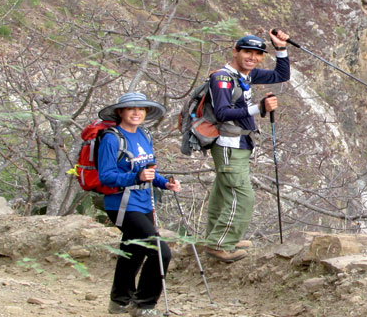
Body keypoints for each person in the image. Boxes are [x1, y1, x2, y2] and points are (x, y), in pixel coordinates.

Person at [200, 30, 291, 262]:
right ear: (235, 51)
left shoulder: (245, 75)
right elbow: (221, 113)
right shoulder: (222, 78)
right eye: (247, 52)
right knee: (242, 196)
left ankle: (218, 237)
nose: (252, 57)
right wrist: (258, 108)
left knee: (223, 192)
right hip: (228, 144)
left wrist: (280, 48)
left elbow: (281, 75)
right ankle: (221, 243)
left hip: (239, 142)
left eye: (257, 54)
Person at [95, 92, 181, 317]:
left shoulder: (144, 135)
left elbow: (149, 171)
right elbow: (106, 176)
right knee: (159, 251)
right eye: (131, 108)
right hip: (122, 205)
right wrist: (135, 178)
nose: (136, 113)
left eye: (141, 109)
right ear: (120, 112)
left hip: (144, 203)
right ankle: (143, 305)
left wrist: (165, 183)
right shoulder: (112, 138)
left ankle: (119, 301)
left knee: (133, 250)